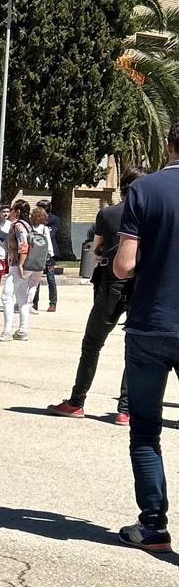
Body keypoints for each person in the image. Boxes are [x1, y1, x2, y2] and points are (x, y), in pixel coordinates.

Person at [113, 125, 179, 549]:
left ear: (170, 144)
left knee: (145, 430)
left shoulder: (145, 190)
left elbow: (123, 265)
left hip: (150, 323)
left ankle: (153, 525)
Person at [48, 170, 142, 424]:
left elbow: (98, 246)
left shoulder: (108, 214)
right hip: (141, 286)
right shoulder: (151, 215)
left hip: (111, 284)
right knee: (134, 347)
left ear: (122, 189)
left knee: (92, 344)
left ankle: (77, 401)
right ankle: (126, 408)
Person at [0, 201, 49, 342]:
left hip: (18, 265)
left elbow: (23, 245)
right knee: (22, 297)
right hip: (28, 266)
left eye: (12, 210)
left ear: (18, 212)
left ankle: (7, 331)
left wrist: (20, 264)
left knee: (7, 296)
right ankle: (22, 330)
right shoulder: (28, 225)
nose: (10, 213)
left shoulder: (19, 225)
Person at [32, 200, 62, 313]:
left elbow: (49, 239)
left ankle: (53, 303)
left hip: (47, 255)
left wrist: (49, 255)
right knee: (35, 279)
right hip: (36, 254)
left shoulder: (52, 221)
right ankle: (34, 302)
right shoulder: (32, 224)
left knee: (51, 279)